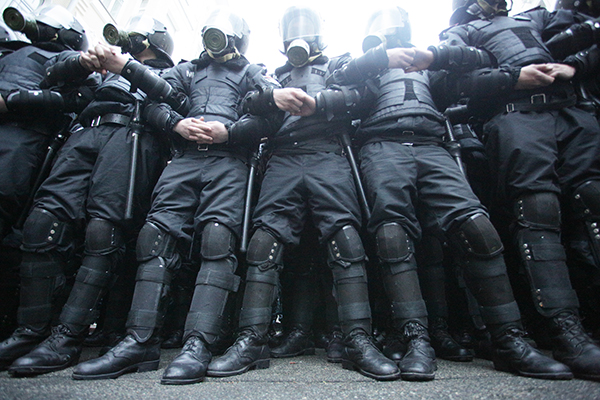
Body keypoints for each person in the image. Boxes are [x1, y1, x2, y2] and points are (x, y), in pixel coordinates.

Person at [323, 5, 574, 381]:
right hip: (382, 144)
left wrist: (495, 72)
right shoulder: (362, 65)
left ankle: (509, 339)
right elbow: (340, 78)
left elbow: (468, 79)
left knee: (478, 229)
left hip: (433, 144)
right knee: (392, 235)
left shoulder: (431, 62)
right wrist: (379, 58)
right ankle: (415, 339)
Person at [71, 9, 304, 385]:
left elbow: (272, 116)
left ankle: (199, 344)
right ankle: (139, 341)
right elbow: (153, 102)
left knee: (217, 239)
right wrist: (176, 123)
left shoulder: (252, 72)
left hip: (231, 160)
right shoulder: (186, 70)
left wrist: (230, 132)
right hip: (184, 159)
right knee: (155, 236)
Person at [399, 0, 600, 381]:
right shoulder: (460, 34)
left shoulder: (539, 17)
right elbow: (446, 86)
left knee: (592, 202)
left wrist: (576, 66)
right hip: (515, 114)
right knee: (537, 212)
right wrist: (513, 78)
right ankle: (566, 331)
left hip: (572, 110)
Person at [206, 6, 402, 382]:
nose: (299, 32)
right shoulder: (273, 74)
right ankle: (251, 339)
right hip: (282, 157)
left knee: (346, 240)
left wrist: (321, 102)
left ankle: (357, 339)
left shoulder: (339, 64)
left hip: (328, 153)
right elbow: (249, 104)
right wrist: (272, 97)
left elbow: (364, 94)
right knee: (264, 242)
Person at [0, 15, 174, 376]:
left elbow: (174, 100)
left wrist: (127, 68)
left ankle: (67, 337)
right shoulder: (99, 68)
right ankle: (30, 329)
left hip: (132, 136)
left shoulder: (174, 71)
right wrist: (84, 61)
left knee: (102, 232)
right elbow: (55, 73)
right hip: (85, 133)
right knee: (42, 222)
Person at [0, 4, 95, 370]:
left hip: (25, 144)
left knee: (28, 228)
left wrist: (13, 101)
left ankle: (28, 327)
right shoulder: (12, 52)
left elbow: (78, 93)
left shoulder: (69, 61)